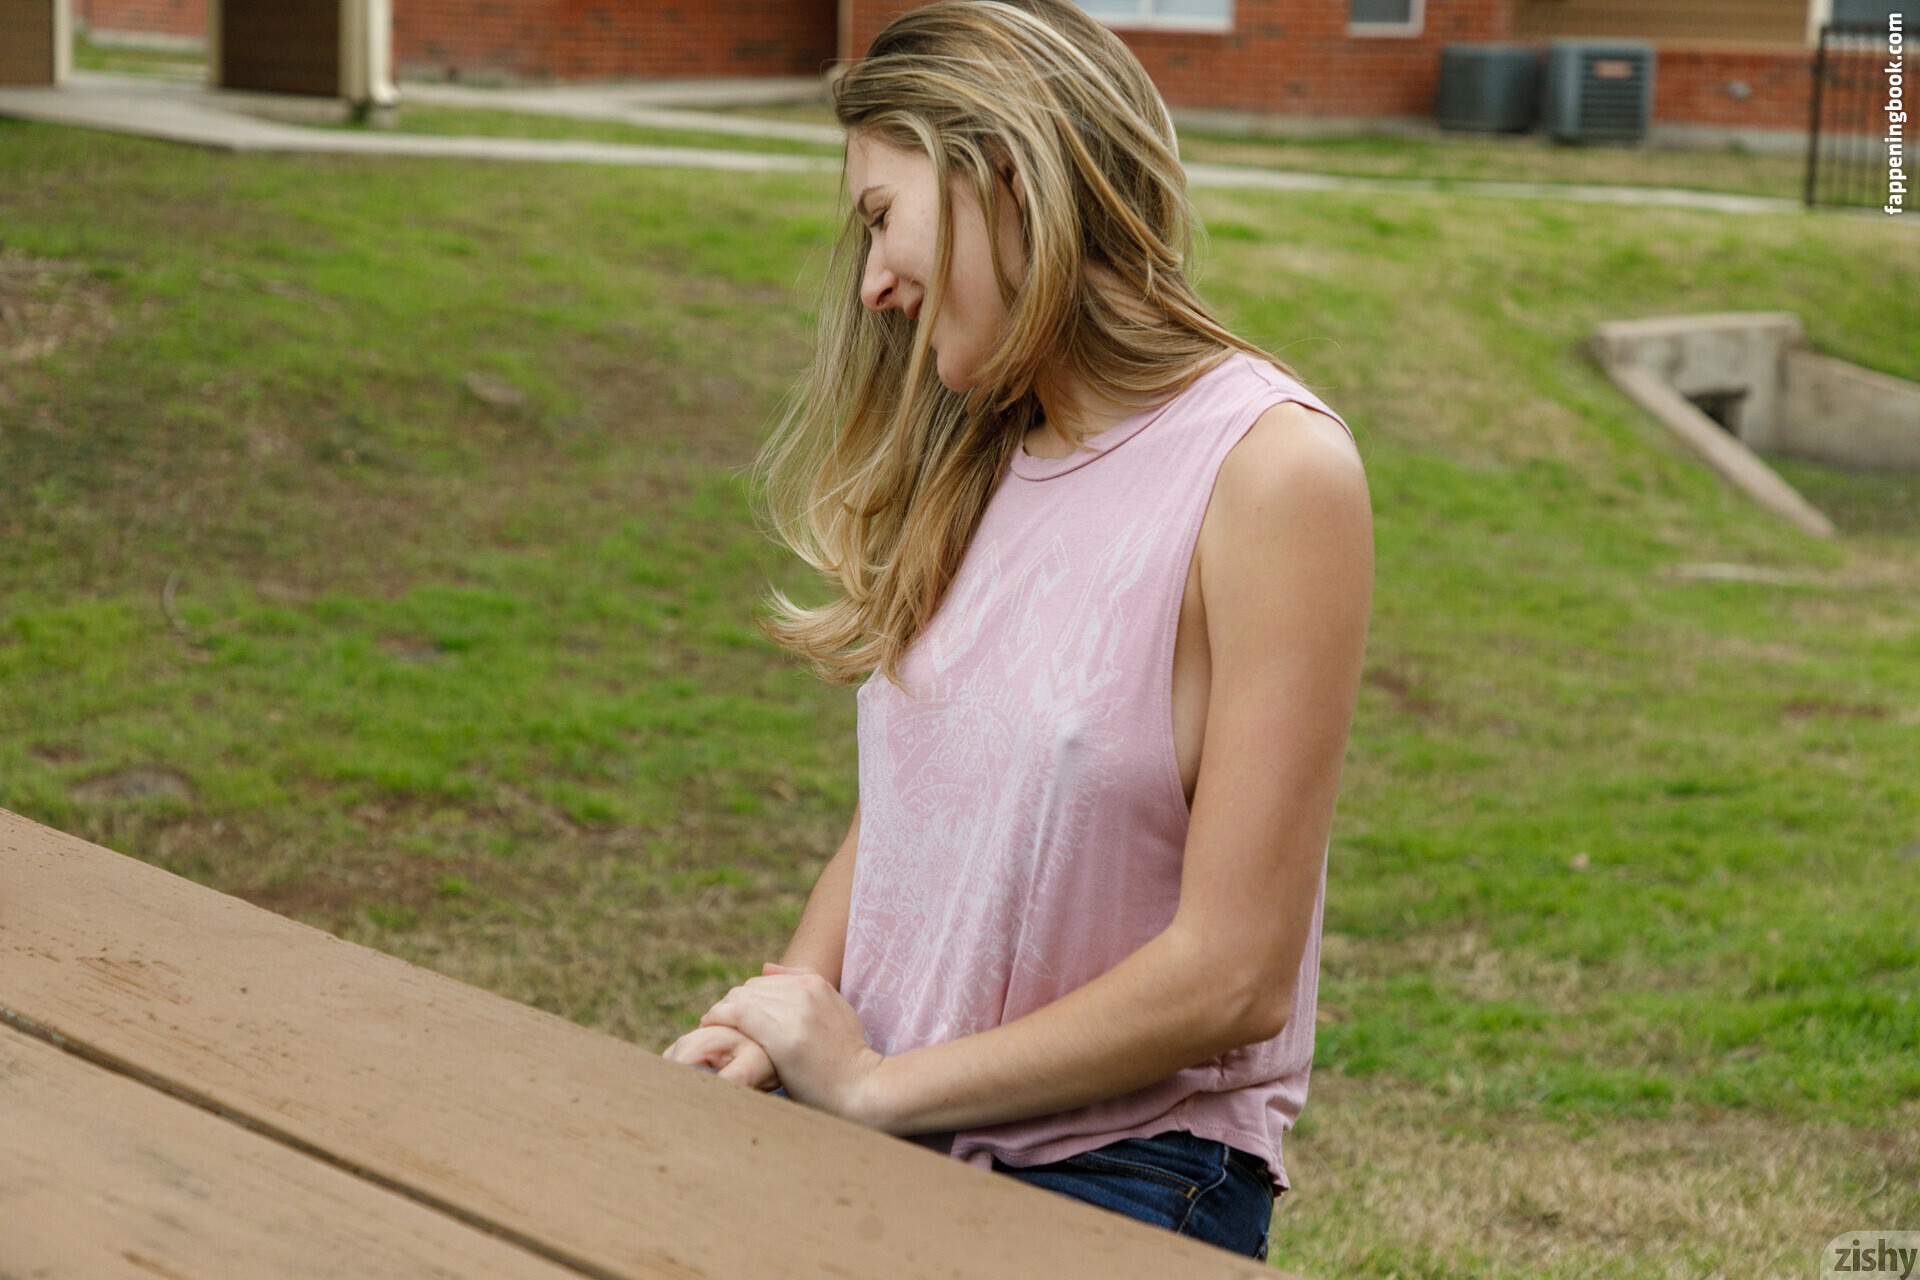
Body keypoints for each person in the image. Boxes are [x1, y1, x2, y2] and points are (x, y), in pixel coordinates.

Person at [662, 0, 1372, 1261]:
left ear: (998, 169)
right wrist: (772, 1018)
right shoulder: (982, 456)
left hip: (1121, 1171)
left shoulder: (1270, 470)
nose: (873, 284)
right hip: (893, 1129)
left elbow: (1236, 972)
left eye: (881, 216)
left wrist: (874, 1085)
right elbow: (913, 811)